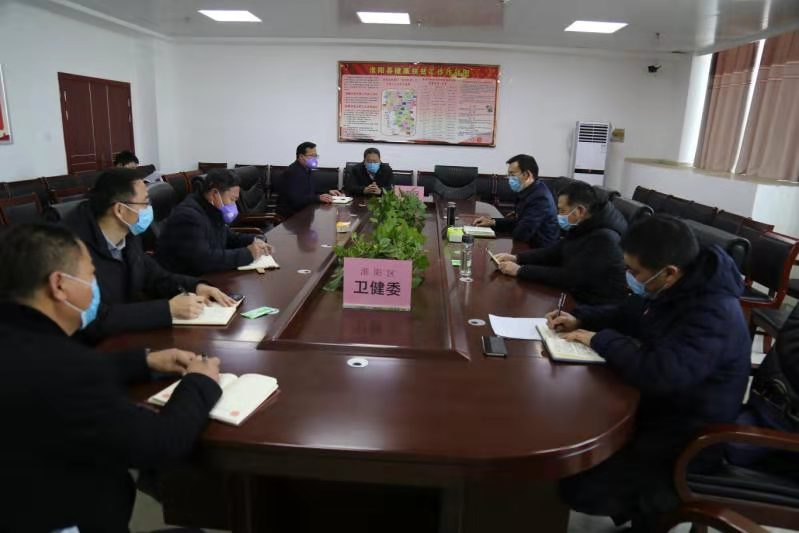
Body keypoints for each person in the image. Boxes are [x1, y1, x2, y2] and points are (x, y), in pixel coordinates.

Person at [0, 223, 222, 531]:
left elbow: (39, 375)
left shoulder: (22, 341)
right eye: (91, 275)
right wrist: (200, 383)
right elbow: (158, 443)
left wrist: (143, 361)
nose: (95, 287)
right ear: (59, 285)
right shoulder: (68, 366)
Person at [551, 215, 751, 531]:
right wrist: (581, 318)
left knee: (575, 483)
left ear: (668, 272)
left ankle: (649, 515)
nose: (629, 277)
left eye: (634, 272)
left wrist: (599, 339)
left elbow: (659, 372)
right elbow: (627, 314)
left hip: (686, 437)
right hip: (658, 411)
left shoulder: (713, 314)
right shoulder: (676, 287)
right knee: (568, 424)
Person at [62, 167, 234, 343]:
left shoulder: (129, 236)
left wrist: (196, 286)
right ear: (120, 210)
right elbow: (95, 318)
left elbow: (156, 277)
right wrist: (167, 309)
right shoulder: (72, 249)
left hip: (126, 336)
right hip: (88, 348)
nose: (149, 209)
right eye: (145, 203)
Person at [493, 181, 628, 305]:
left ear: (580, 211)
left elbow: (571, 277)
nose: (558, 215)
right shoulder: (585, 223)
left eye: (562, 210)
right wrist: (517, 258)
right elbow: (556, 251)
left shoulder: (605, 239)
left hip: (593, 307)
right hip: (574, 295)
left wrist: (520, 270)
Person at [156, 168, 273, 275]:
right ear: (214, 194)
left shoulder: (211, 209)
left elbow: (229, 237)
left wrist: (255, 240)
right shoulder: (188, 217)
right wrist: (248, 254)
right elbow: (203, 260)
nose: (234, 205)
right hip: (186, 282)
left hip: (207, 275)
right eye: (232, 199)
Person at [473, 154, 559, 247]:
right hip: (527, 244)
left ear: (527, 174)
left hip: (539, 250)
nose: (509, 178)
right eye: (508, 174)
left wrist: (512, 223)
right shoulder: (528, 190)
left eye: (512, 174)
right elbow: (519, 222)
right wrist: (492, 222)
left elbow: (522, 233)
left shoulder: (540, 198)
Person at [276, 141, 342, 219]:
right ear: (301, 156)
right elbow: (296, 200)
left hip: (304, 213)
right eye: (312, 156)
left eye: (316, 156)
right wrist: (318, 198)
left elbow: (310, 189)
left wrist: (328, 191)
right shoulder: (292, 172)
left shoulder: (307, 169)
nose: (315, 159)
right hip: (291, 217)